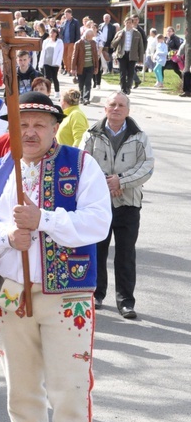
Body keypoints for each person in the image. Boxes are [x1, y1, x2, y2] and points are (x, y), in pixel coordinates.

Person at [0, 91, 112, 422]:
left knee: (70, 393)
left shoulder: (81, 165)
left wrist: (43, 219)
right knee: (21, 394)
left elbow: (98, 223)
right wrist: (7, 236)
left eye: (39, 125)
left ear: (55, 127)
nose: (29, 132)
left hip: (66, 297)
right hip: (10, 294)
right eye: (22, 125)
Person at [81, 92, 154, 319]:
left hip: (128, 204)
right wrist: (107, 182)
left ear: (128, 110)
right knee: (97, 251)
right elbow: (82, 161)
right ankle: (97, 295)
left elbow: (147, 166)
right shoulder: (91, 134)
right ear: (105, 108)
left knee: (125, 254)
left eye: (121, 105)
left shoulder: (139, 137)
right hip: (98, 203)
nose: (116, 108)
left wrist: (121, 180)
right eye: (112, 104)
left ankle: (126, 302)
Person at [112, 17, 145, 96]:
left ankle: (128, 87)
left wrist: (141, 59)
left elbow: (141, 47)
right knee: (122, 73)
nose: (128, 24)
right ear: (124, 23)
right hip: (122, 55)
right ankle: (123, 88)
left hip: (132, 55)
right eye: (127, 22)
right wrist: (119, 38)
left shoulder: (137, 33)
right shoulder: (120, 32)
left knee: (130, 73)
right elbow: (113, 44)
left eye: (130, 22)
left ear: (132, 24)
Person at [71, 29, 98, 105]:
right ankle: (81, 98)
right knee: (81, 83)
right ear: (86, 36)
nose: (92, 38)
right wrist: (73, 68)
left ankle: (86, 98)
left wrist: (96, 67)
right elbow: (74, 56)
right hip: (81, 67)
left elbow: (95, 56)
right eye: (90, 36)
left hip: (90, 66)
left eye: (92, 36)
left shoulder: (93, 43)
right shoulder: (78, 43)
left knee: (88, 83)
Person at [39, 28, 64, 98]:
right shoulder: (46, 41)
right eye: (50, 33)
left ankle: (57, 91)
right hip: (46, 62)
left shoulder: (59, 42)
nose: (52, 34)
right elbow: (43, 52)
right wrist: (41, 63)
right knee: (47, 78)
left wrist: (58, 63)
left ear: (56, 34)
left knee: (54, 77)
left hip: (54, 63)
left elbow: (60, 53)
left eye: (53, 33)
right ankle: (47, 91)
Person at [59, 8, 81, 76]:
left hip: (72, 41)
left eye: (67, 14)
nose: (66, 16)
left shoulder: (75, 22)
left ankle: (70, 70)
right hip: (64, 42)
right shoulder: (64, 22)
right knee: (64, 56)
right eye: (65, 14)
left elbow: (77, 33)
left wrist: (77, 42)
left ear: (71, 14)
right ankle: (66, 69)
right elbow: (61, 32)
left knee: (70, 56)